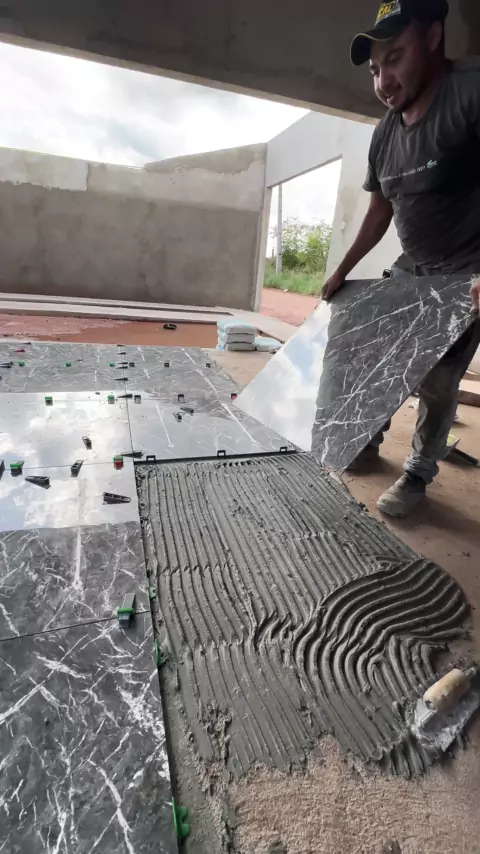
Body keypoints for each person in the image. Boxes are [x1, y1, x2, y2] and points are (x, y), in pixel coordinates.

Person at [322, 0, 480, 518]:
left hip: (467, 269)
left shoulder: (469, 93)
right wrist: (343, 269)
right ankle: (368, 432)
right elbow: (379, 211)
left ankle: (417, 473)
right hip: (416, 262)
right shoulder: (385, 132)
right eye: (374, 69)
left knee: (436, 380)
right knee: (377, 343)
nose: (383, 81)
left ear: (433, 39)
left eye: (395, 58)